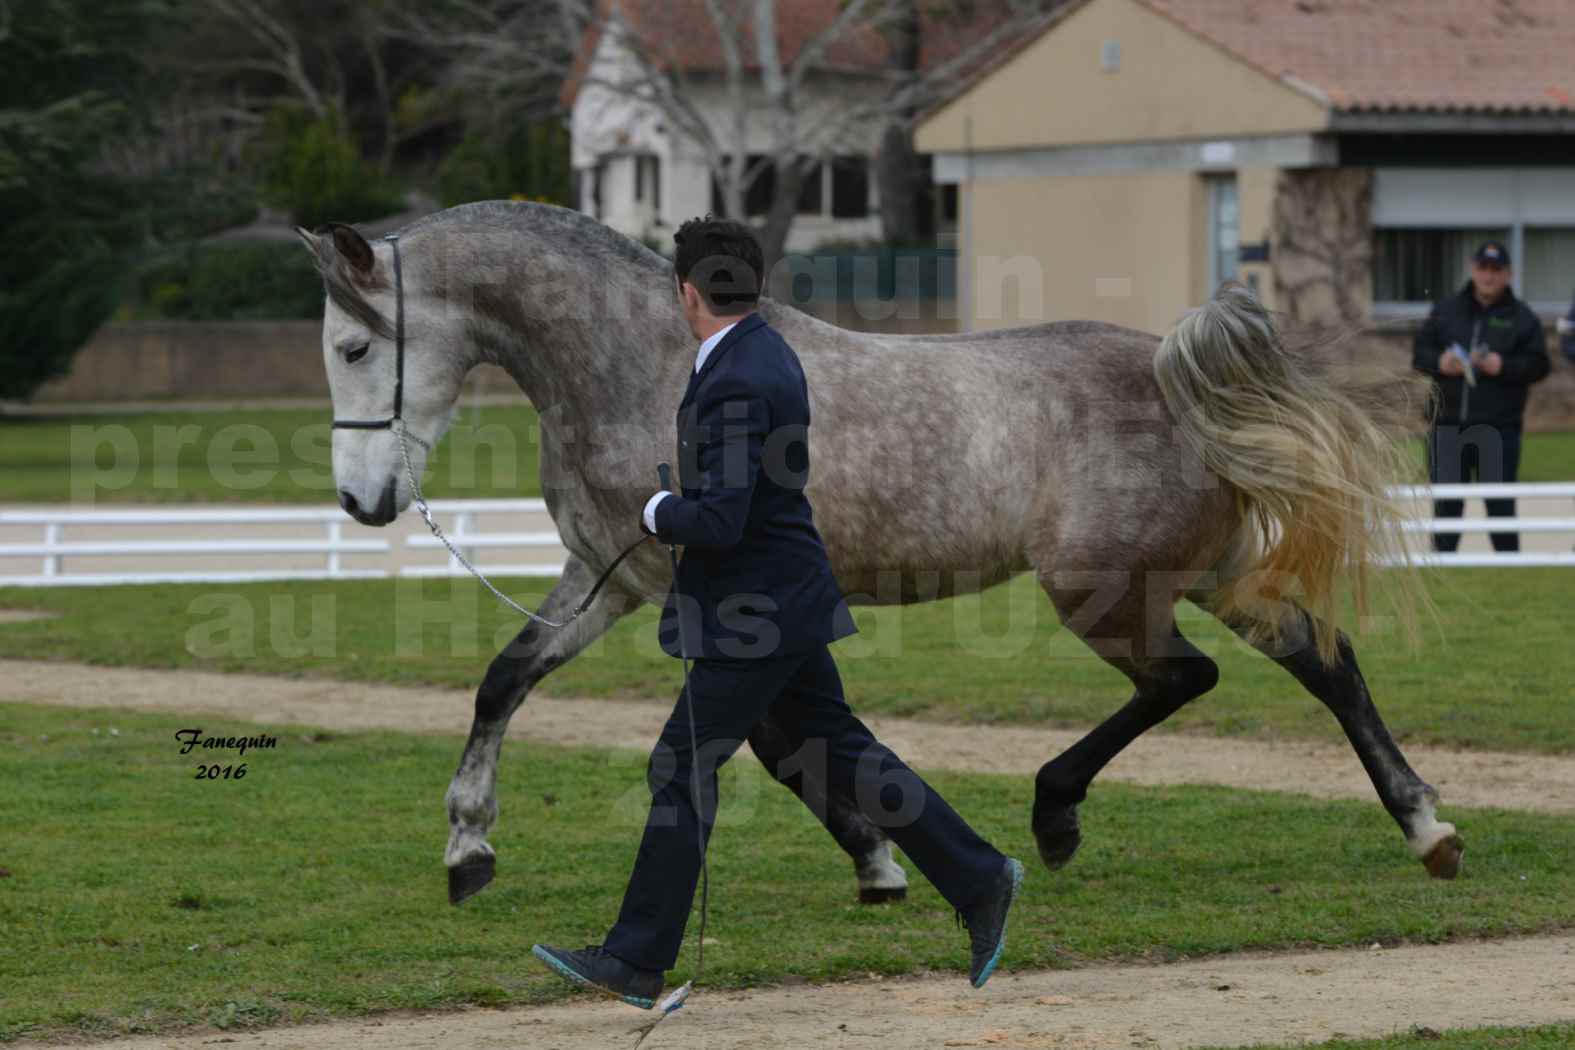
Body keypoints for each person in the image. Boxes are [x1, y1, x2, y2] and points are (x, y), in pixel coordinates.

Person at [532, 216, 1023, 1007]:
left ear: (685, 291)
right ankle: (978, 875)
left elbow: (721, 519)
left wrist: (657, 509)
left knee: (679, 766)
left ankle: (636, 958)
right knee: (839, 750)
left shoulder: (733, 374)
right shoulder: (761, 352)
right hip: (780, 598)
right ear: (750, 285)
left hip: (753, 610)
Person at [1411, 240, 1550, 552]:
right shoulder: (1445, 310)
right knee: (1446, 509)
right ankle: (1441, 579)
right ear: (1473, 270)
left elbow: (1540, 364)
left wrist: (1503, 366)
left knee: (1500, 509)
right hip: (1446, 425)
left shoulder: (1522, 318)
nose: (1488, 276)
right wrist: (1440, 363)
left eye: (1496, 270)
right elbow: (1420, 354)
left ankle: (1510, 575)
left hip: (1497, 428)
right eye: (1483, 269)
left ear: (1508, 275)